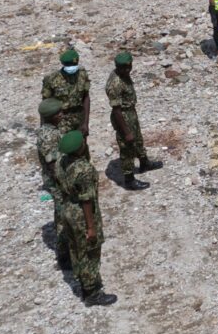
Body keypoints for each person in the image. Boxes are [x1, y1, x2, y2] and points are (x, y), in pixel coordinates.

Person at [56, 130, 116, 306]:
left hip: (67, 209)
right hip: (82, 214)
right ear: (79, 148)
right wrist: (91, 227)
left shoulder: (62, 162)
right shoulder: (84, 170)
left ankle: (82, 281)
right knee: (90, 252)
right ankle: (92, 293)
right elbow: (87, 200)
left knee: (76, 249)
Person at [106, 51, 162, 190]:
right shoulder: (115, 83)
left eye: (128, 67)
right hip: (123, 117)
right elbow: (116, 110)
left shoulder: (124, 74)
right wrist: (126, 132)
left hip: (131, 112)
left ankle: (144, 163)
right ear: (117, 67)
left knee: (138, 139)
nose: (127, 70)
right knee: (127, 147)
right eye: (123, 68)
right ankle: (129, 179)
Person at [36, 98, 69, 269]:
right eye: (58, 113)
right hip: (57, 182)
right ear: (50, 117)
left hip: (58, 179)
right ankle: (64, 256)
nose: (62, 115)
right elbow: (52, 164)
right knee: (63, 216)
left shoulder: (50, 130)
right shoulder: (49, 136)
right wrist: (66, 183)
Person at [42, 47, 91, 137]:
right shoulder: (51, 79)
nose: (71, 69)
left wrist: (85, 123)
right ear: (63, 64)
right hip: (60, 121)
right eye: (68, 66)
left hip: (78, 118)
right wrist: (44, 128)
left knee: (81, 148)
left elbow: (86, 97)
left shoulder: (82, 74)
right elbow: (45, 105)